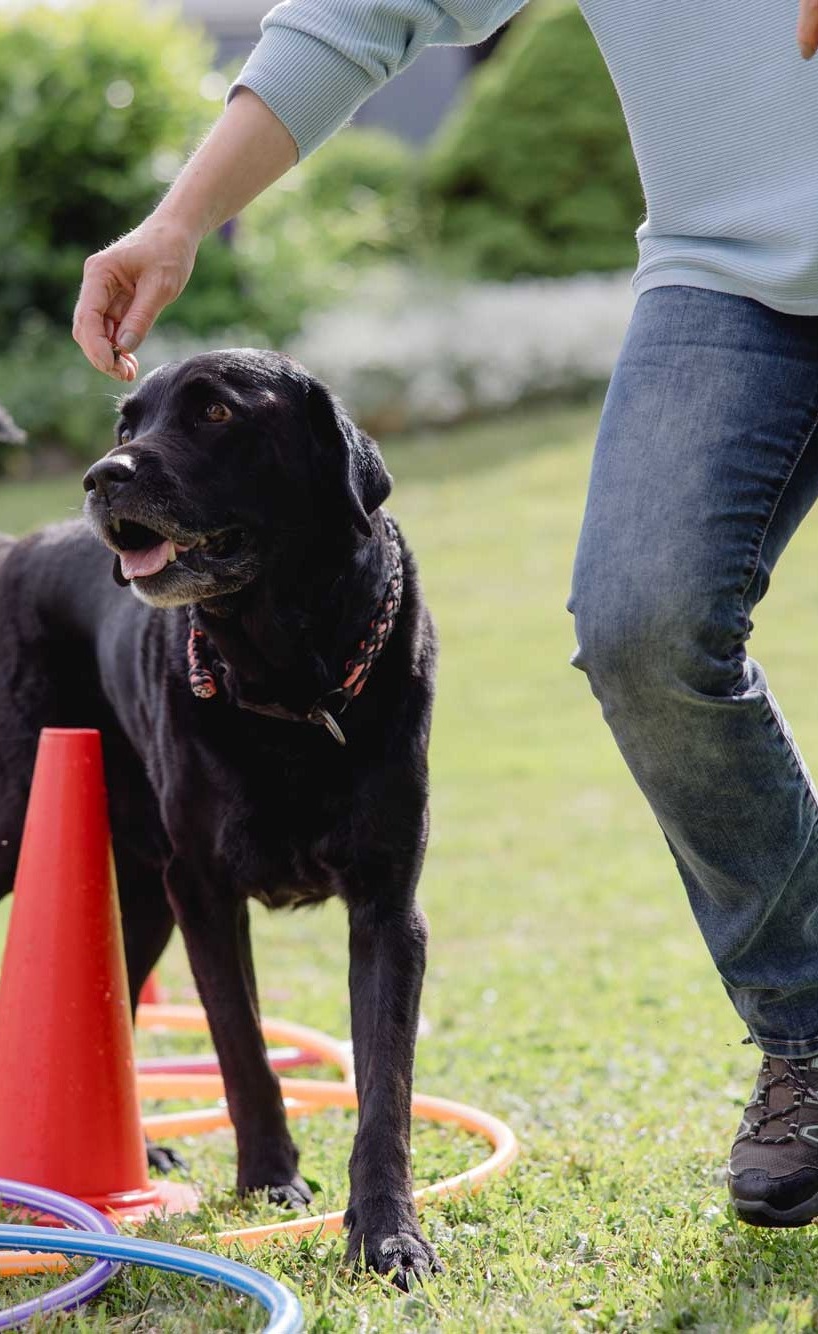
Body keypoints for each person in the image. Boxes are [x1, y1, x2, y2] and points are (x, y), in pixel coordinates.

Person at [73, 0, 818, 1228]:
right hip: (726, 276)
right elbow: (371, 8)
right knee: (638, 622)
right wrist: (180, 214)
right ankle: (806, 1033)